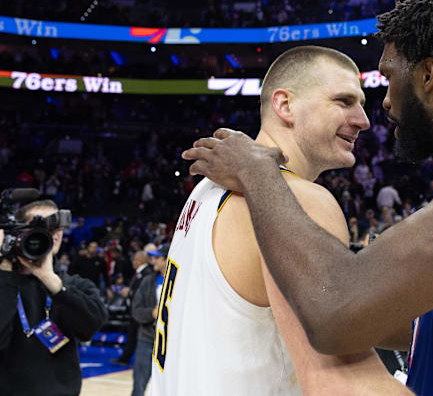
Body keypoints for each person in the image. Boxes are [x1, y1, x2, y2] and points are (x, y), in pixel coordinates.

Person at [183, 0, 433, 395]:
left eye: (389, 78)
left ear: (427, 75)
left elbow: (336, 315)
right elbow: (415, 322)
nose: (383, 104)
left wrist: (260, 173)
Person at [150, 46, 412, 396]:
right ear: (285, 105)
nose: (364, 119)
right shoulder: (299, 199)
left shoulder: (205, 191)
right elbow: (340, 383)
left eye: (361, 103)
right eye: (344, 101)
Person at [0, 200, 107, 395]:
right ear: (16, 232)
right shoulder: (4, 281)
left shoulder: (75, 285)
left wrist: (53, 283)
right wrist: (5, 272)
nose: (55, 233)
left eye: (58, 227)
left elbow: (92, 325)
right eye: (43, 226)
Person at [131, 245, 168, 396]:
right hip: (147, 340)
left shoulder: (182, 282)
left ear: (168, 259)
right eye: (152, 257)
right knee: (139, 386)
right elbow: (136, 310)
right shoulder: (148, 281)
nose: (153, 261)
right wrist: (151, 313)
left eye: (157, 257)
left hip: (171, 343)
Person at [111, 249, 152, 366]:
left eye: (134, 259)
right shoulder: (139, 273)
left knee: (138, 336)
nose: (133, 262)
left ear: (140, 260)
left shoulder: (146, 273)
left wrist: (129, 292)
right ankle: (125, 358)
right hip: (134, 310)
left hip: (140, 311)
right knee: (132, 335)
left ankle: (130, 358)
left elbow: (143, 292)